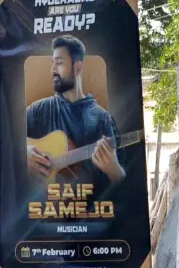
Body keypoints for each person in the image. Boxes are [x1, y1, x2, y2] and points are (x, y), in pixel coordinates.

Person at [25, 35, 124, 192]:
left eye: (59, 63)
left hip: (89, 211)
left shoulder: (102, 118)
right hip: (43, 211)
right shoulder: (39, 110)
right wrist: (24, 153)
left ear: (78, 67)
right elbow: (7, 140)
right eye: (53, 63)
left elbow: (123, 186)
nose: (52, 70)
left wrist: (114, 170)